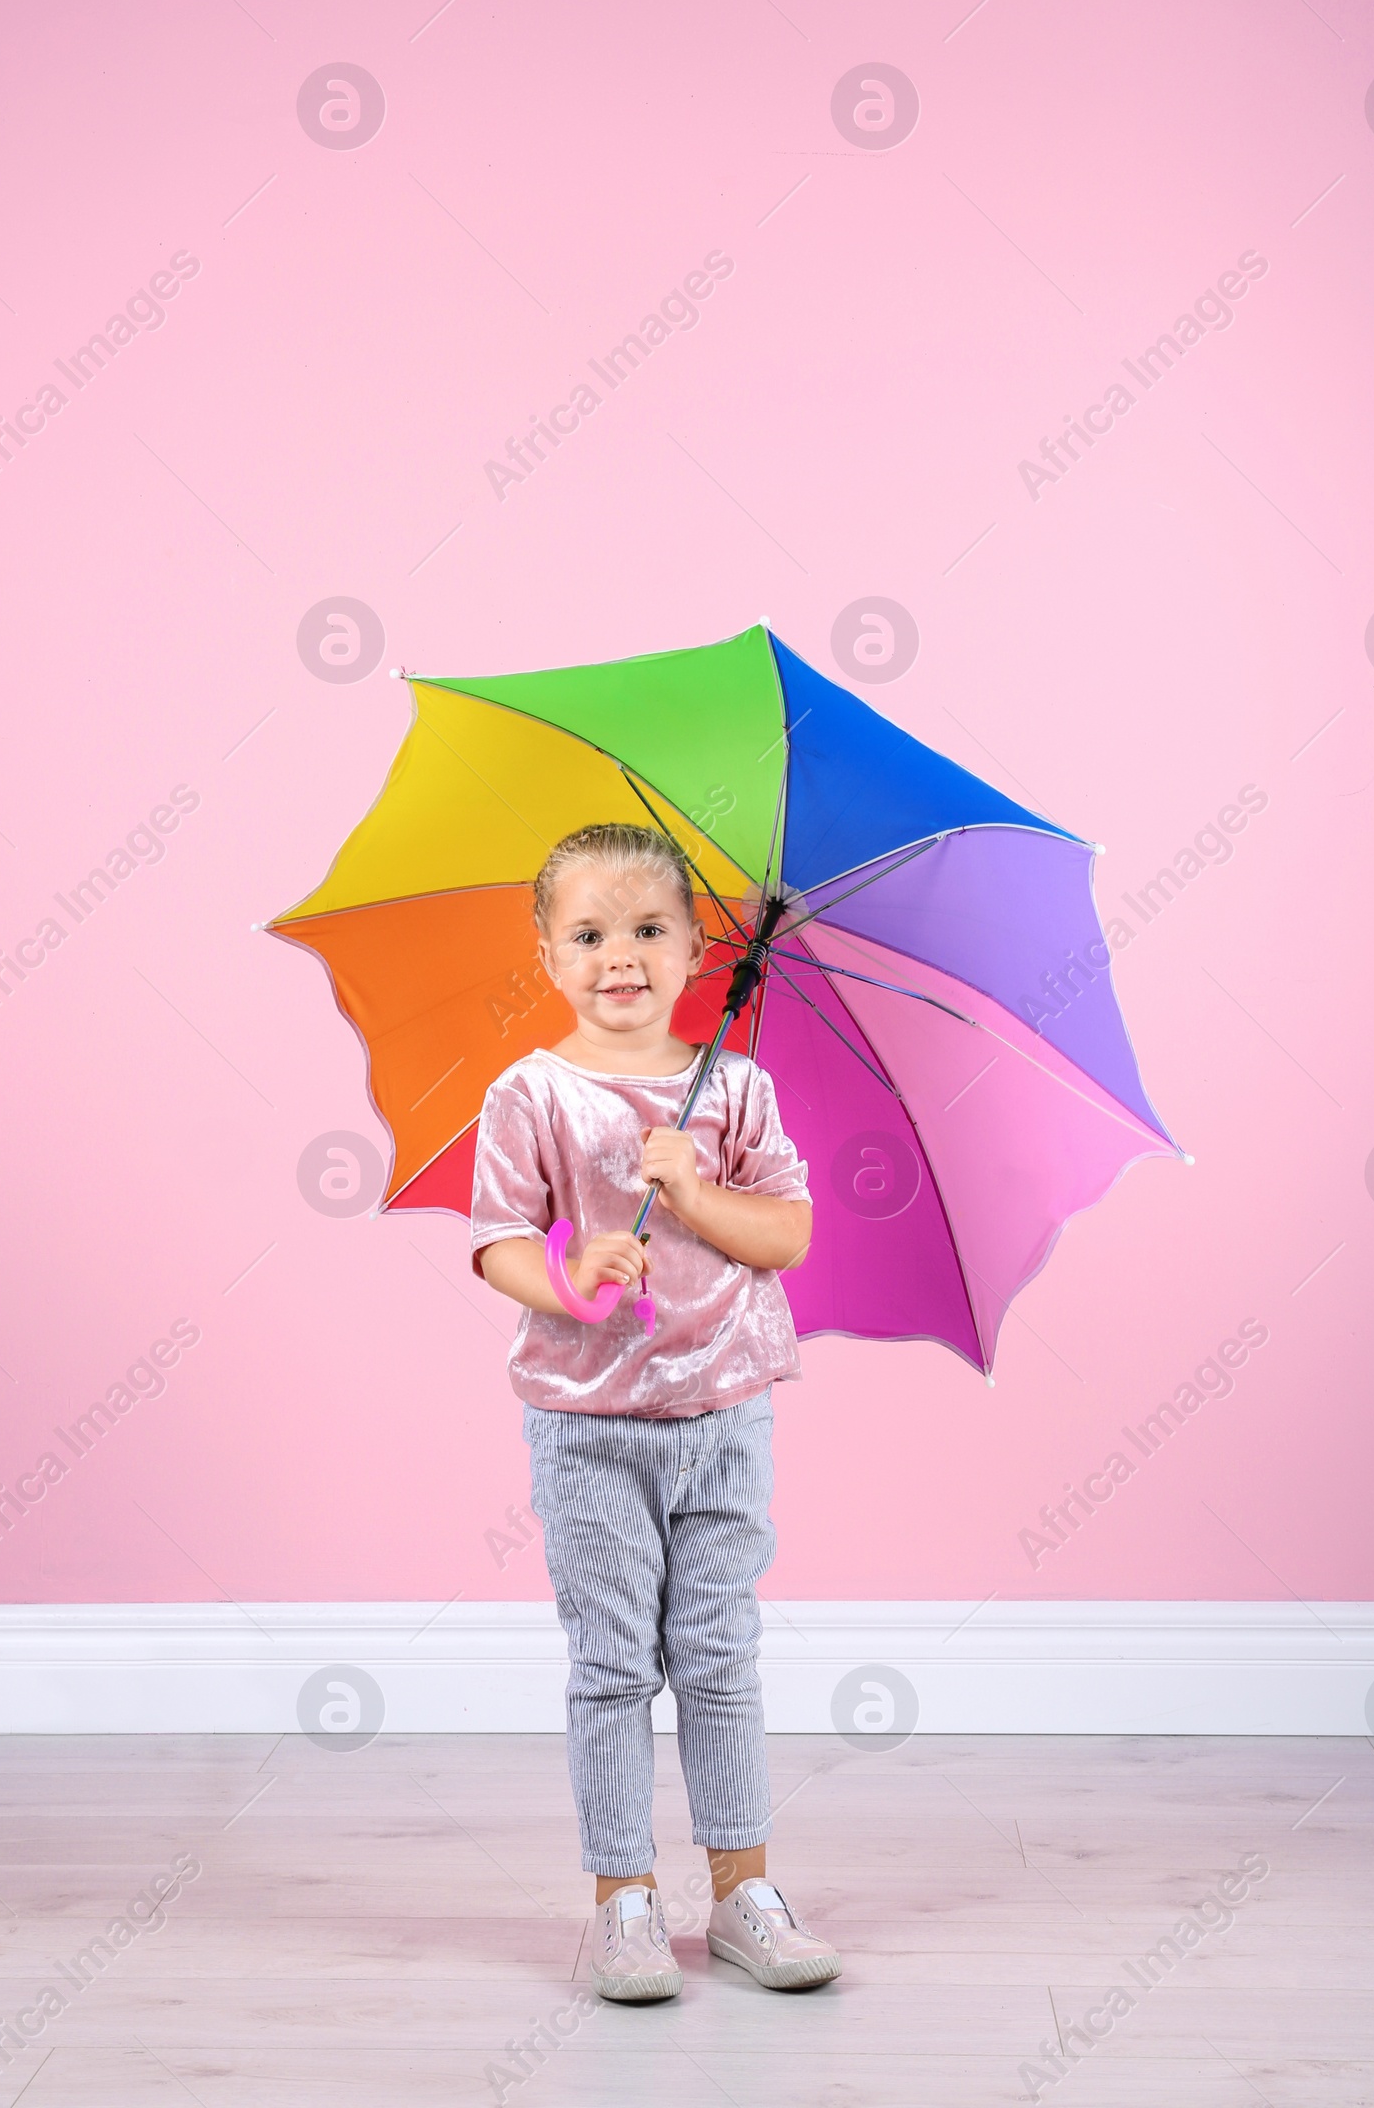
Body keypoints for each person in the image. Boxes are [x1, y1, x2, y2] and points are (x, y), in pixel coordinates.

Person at [472, 821, 842, 2002]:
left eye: (647, 931)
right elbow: (497, 1242)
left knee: (721, 1659)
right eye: (588, 934)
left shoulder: (733, 1088)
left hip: (723, 1413)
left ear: (696, 953)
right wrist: (576, 1286)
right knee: (612, 1665)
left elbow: (784, 1234)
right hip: (589, 1426)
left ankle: (742, 1893)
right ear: (546, 951)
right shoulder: (531, 1093)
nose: (618, 956)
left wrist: (693, 1182)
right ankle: (623, 1901)